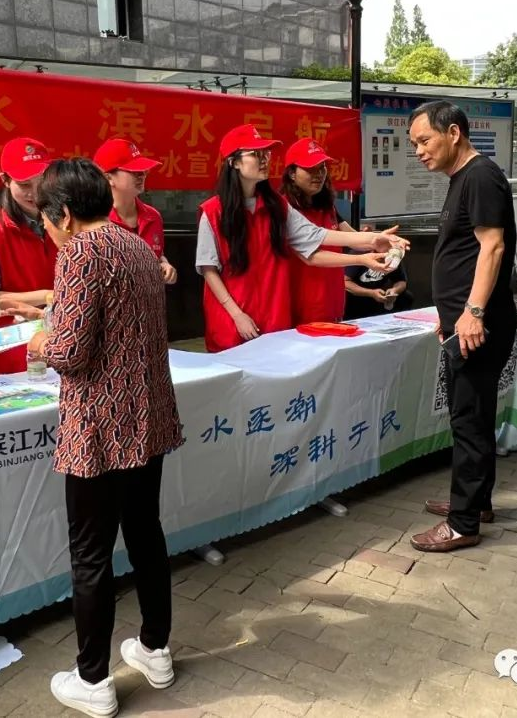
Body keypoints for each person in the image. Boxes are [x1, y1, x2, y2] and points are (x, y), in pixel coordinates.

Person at [25, 159, 183, 718]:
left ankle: (93, 679)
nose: (48, 231)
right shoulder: (134, 245)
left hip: (98, 428)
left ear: (64, 214)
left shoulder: (79, 253)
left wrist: (40, 340)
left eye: (46, 221)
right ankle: (155, 649)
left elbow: (69, 351)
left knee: (90, 554)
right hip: (147, 419)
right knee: (145, 535)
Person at [406, 101, 516, 553]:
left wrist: (471, 312)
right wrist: (449, 315)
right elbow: (465, 255)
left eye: (424, 140)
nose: (418, 151)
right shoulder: (463, 179)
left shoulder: (481, 176)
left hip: (478, 326)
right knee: (474, 417)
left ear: (453, 133)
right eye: (414, 144)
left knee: (468, 421)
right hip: (464, 323)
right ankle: (476, 503)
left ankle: (463, 523)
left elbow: (492, 247)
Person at [196, 124, 408, 353]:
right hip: (231, 321)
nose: (265, 159)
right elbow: (208, 269)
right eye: (256, 154)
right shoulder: (213, 212)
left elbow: (315, 235)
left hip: (274, 318)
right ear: (234, 162)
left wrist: (373, 240)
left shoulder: (276, 207)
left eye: (266, 153)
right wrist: (237, 315)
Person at [0, 136, 57, 375]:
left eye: (41, 183)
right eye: (25, 185)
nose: (34, 193)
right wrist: (47, 296)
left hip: (63, 338)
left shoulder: (64, 221)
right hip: (17, 344)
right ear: (5, 180)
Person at [279, 137, 355, 324]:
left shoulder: (327, 206)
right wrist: (364, 258)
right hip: (300, 305)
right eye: (310, 169)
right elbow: (312, 256)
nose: (319, 174)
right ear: (292, 174)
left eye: (322, 168)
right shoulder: (283, 208)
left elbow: (352, 237)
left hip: (332, 301)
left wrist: (381, 240)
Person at [94, 136, 177, 285]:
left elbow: (157, 255)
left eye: (143, 170)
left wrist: (164, 264)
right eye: (134, 171)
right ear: (108, 178)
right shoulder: (95, 221)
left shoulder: (153, 216)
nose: (142, 175)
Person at [344, 261, 414, 319]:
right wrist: (370, 293)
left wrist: (394, 291)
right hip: (355, 297)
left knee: (406, 297)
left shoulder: (394, 257)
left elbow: (401, 281)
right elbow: (345, 282)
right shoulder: (358, 254)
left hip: (378, 295)